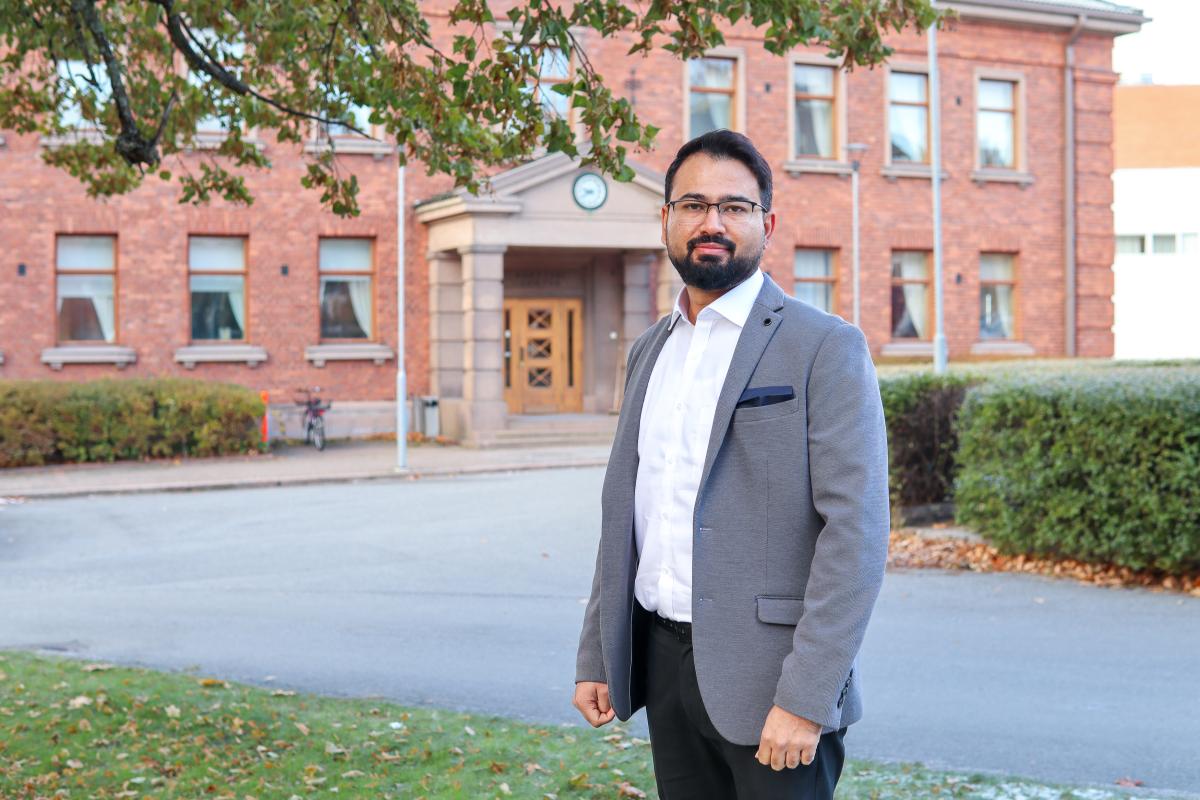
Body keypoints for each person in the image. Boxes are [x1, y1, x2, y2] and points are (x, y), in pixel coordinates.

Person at [572, 129, 890, 799]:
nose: (711, 223)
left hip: (774, 684)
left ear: (766, 224)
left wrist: (806, 697)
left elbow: (855, 536)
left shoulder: (824, 347)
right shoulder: (650, 351)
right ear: (665, 221)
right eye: (692, 204)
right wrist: (599, 652)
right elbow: (630, 512)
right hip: (664, 667)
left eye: (734, 207)